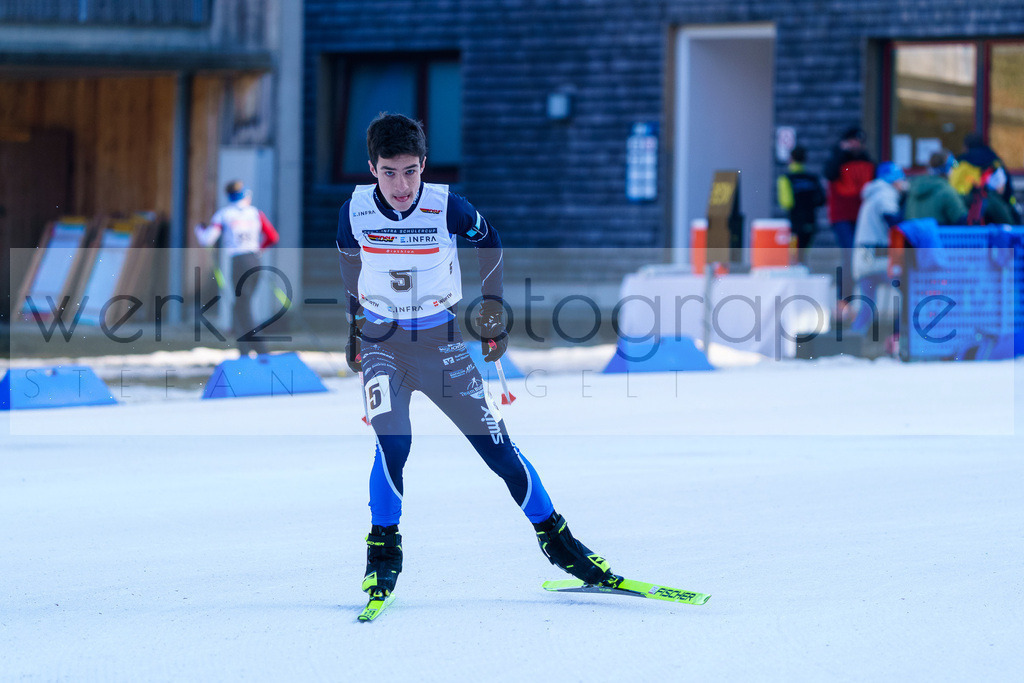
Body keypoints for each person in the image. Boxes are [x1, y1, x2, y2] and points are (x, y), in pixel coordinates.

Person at [335, 113, 616, 603]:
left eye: (410, 171)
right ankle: (382, 554)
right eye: (389, 172)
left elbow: (490, 241)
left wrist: (492, 309)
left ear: (424, 165)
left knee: (497, 449)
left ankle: (560, 543)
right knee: (392, 443)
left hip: (440, 343)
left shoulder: (447, 206)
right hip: (383, 343)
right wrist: (354, 324)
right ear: (372, 168)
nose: (401, 186)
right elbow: (348, 262)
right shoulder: (354, 211)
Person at [194, 180, 279, 355]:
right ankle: (244, 350)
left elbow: (207, 240)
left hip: (239, 262)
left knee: (243, 307)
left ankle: (260, 349)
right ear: (246, 195)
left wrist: (199, 230)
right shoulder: (255, 213)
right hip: (254, 260)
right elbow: (272, 236)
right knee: (240, 306)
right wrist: (259, 249)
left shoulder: (224, 214)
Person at [850, 162, 907, 334]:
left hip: (863, 257)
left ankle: (854, 340)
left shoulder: (872, 194)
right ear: (894, 180)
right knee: (906, 291)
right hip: (879, 258)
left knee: (867, 306)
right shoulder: (885, 193)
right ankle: (900, 334)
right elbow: (893, 221)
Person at [823, 126, 875, 300]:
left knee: (862, 256)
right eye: (853, 141)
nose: (857, 145)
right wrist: (842, 152)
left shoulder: (866, 160)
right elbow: (829, 173)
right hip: (842, 216)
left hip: (862, 217)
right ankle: (844, 299)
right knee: (849, 255)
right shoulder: (837, 160)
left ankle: (861, 298)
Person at [776, 145, 826, 264]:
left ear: (791, 159)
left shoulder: (786, 179)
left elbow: (786, 203)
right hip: (810, 220)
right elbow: (821, 200)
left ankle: (797, 269)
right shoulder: (812, 178)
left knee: (794, 254)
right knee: (805, 252)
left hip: (794, 222)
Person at [904, 151, 968, 226]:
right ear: (947, 169)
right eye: (952, 166)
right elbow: (961, 218)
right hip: (938, 232)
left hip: (913, 233)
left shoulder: (913, 188)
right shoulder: (946, 191)